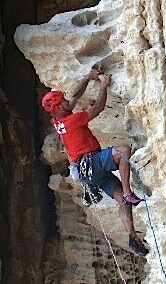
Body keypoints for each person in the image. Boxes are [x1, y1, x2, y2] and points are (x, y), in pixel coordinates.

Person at [41, 69, 149, 256]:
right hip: (91, 162)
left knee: (121, 203)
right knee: (122, 152)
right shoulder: (73, 120)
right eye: (62, 101)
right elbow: (97, 108)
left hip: (87, 173)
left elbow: (74, 96)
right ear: (58, 108)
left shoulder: (58, 121)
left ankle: (132, 236)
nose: (67, 101)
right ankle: (127, 192)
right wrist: (104, 86)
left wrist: (88, 78)